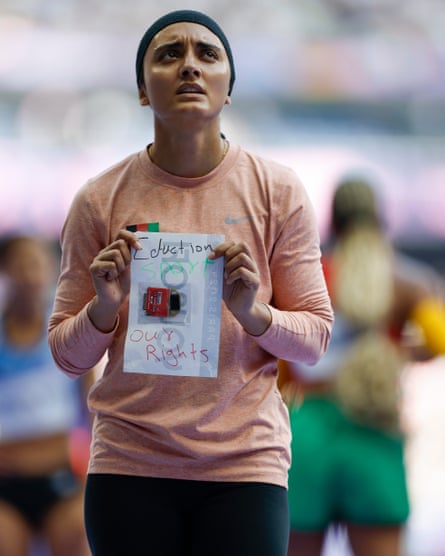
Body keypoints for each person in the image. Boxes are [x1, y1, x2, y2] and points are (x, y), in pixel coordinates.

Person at [47, 9, 333, 556]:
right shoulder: (98, 199)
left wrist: (256, 314)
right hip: (130, 464)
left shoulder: (278, 191)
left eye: (207, 54)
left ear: (228, 89)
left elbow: (315, 339)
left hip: (244, 468)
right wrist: (103, 309)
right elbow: (66, 356)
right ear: (140, 91)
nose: (189, 67)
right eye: (168, 54)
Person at [280, 176, 445, 556]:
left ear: (332, 222)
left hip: (305, 430)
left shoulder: (304, 278)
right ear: (379, 219)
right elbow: (439, 341)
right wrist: (404, 352)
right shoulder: (405, 280)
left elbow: (279, 359)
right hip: (373, 429)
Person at [0, 235, 91, 556]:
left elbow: (94, 413)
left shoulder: (67, 335)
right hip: (5, 491)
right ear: (5, 271)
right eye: (20, 264)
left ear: (54, 272)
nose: (29, 274)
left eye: (37, 264)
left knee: (79, 534)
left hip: (60, 482)